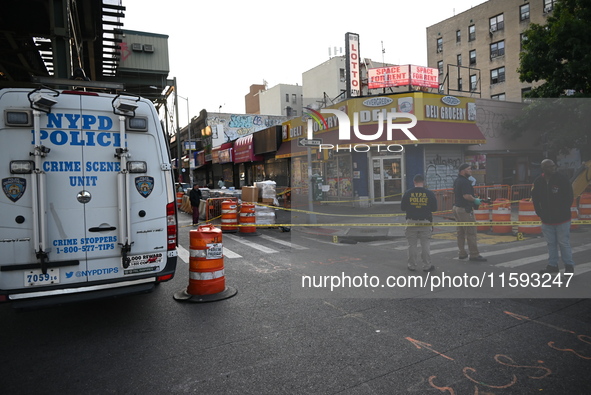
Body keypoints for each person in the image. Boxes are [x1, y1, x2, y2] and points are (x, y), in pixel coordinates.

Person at [531, 159, 575, 274]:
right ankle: (552, 265)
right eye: (550, 167)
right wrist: (539, 212)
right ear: (543, 168)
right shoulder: (538, 181)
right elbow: (535, 198)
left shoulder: (562, 179)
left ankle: (569, 266)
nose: (553, 168)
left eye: (554, 166)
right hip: (547, 219)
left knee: (563, 243)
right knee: (551, 243)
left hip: (562, 219)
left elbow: (569, 197)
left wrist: (562, 210)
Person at [401, 174, 438, 272]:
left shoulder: (408, 193)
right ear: (423, 182)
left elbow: (402, 208)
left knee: (411, 245)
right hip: (425, 221)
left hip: (411, 221)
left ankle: (411, 265)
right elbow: (434, 208)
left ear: (414, 182)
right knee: (425, 244)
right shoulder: (429, 193)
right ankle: (427, 266)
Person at [453, 164, 487, 261]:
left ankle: (462, 253)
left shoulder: (457, 180)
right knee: (471, 232)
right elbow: (466, 196)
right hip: (465, 209)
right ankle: (474, 254)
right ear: (462, 171)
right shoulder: (465, 182)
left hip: (457, 207)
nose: (471, 171)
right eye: (468, 169)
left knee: (460, 232)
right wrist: (475, 200)